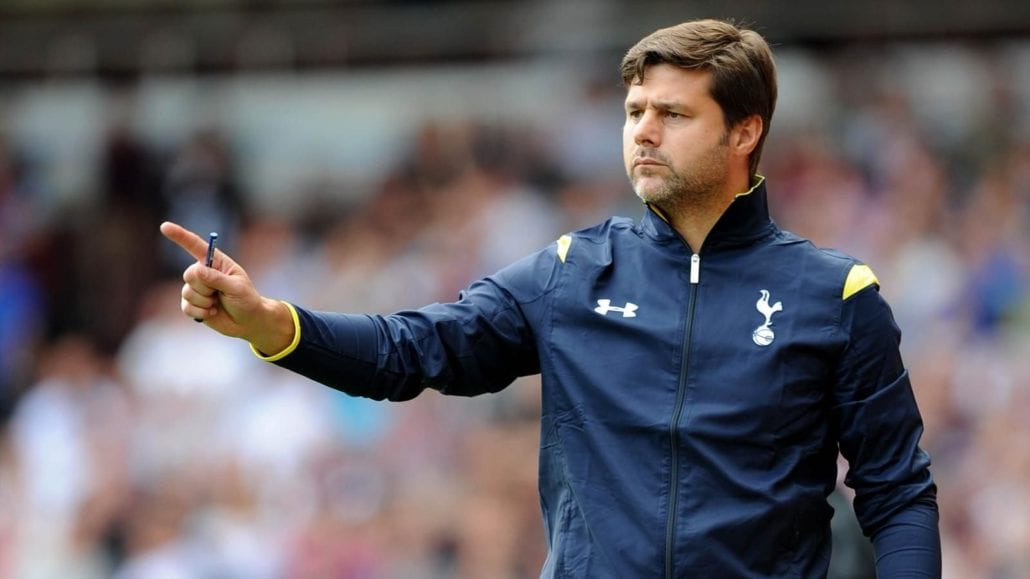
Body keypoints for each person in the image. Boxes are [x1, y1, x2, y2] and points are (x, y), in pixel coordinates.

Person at [161, 19, 940, 578]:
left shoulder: (834, 294)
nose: (644, 132)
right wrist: (273, 324)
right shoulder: (573, 273)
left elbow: (897, 491)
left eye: (673, 114)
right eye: (634, 112)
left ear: (744, 132)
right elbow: (412, 350)